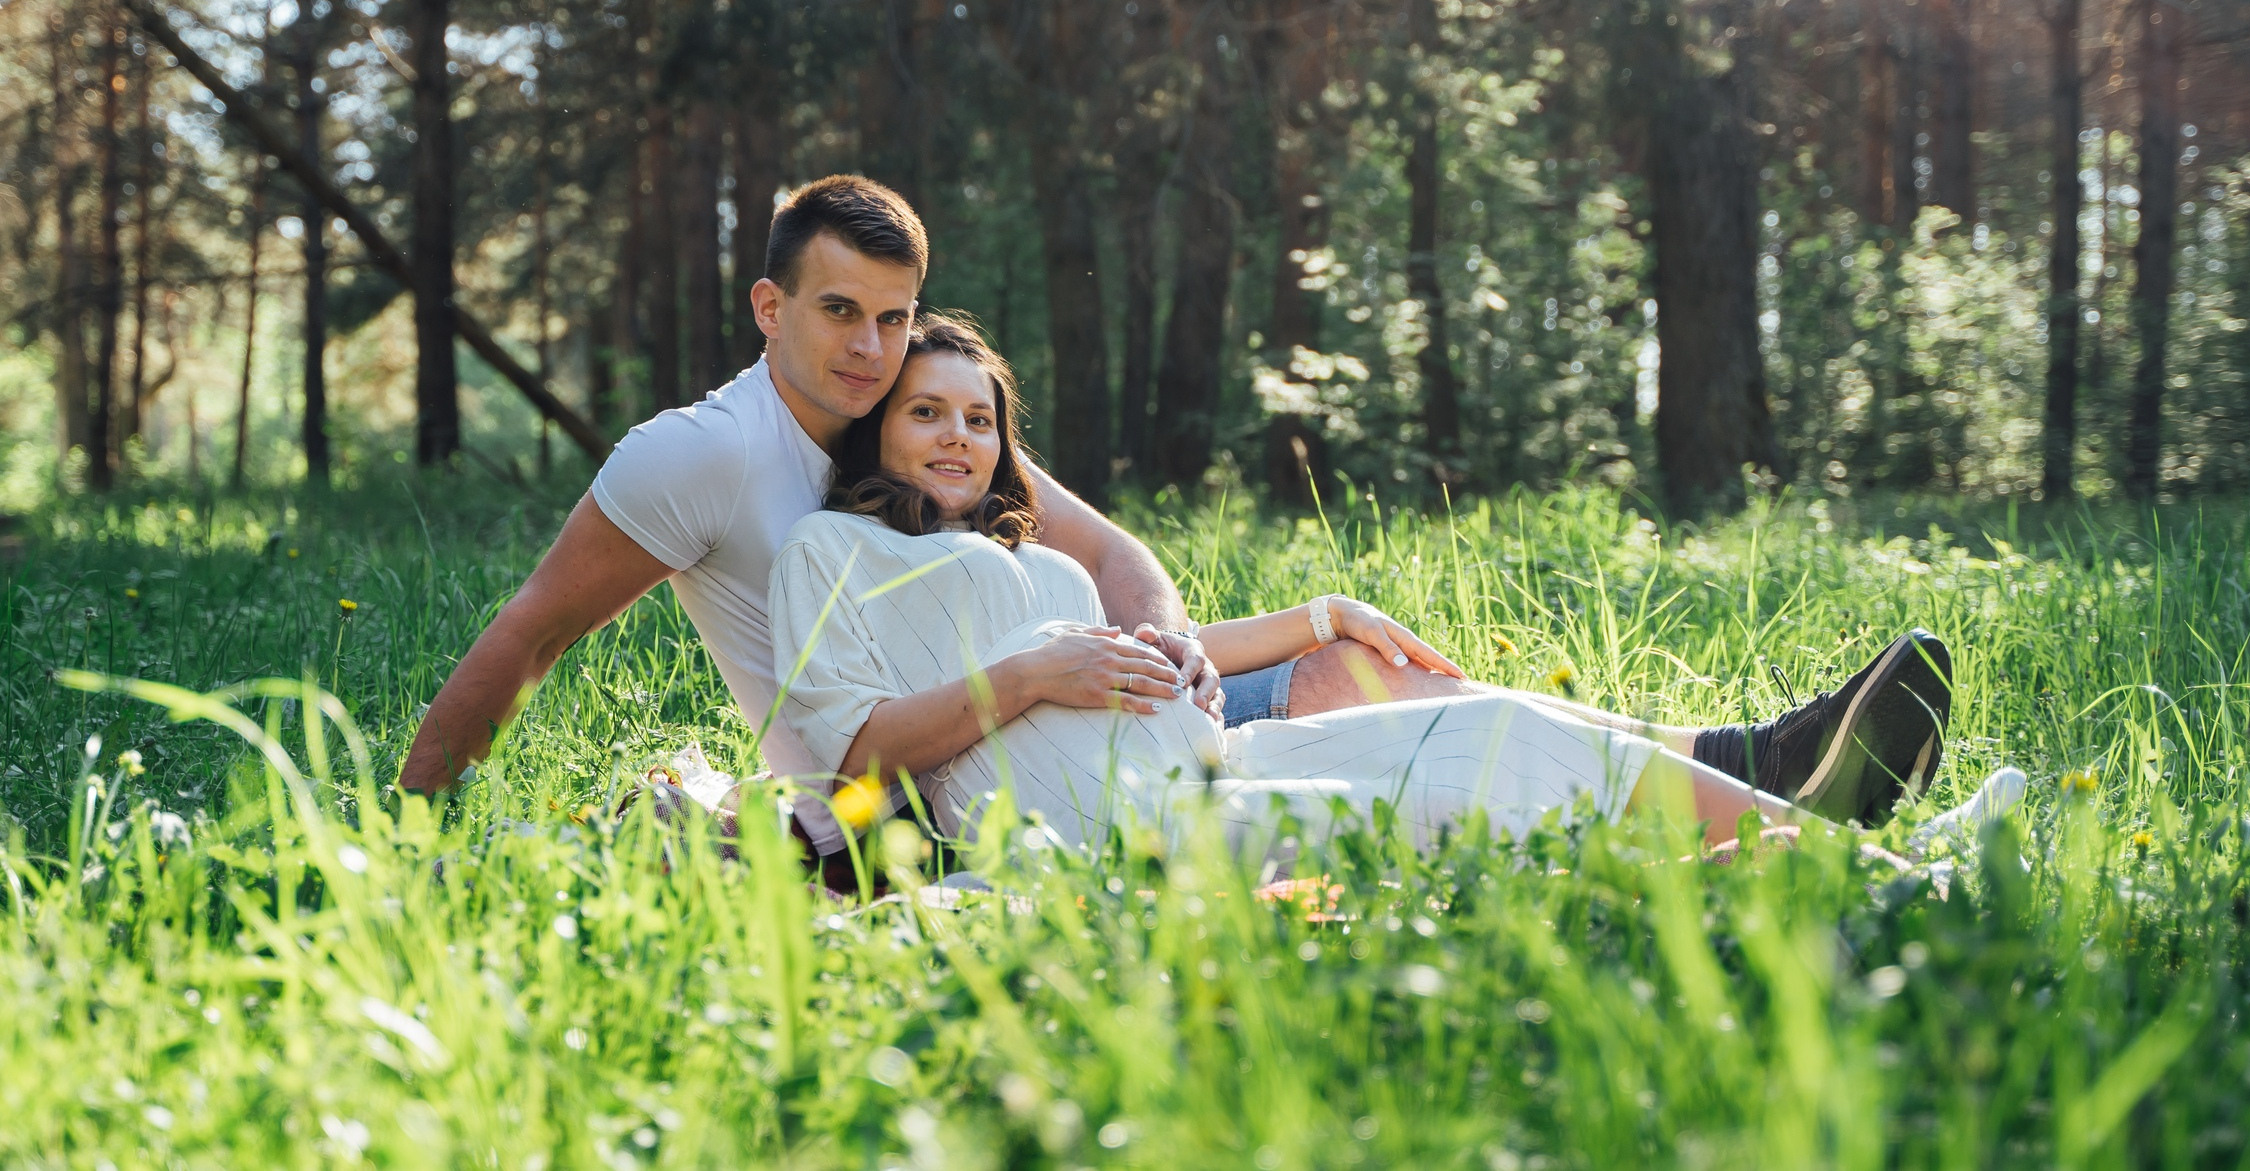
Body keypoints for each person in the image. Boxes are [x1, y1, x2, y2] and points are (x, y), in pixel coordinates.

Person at [398, 173, 1947, 863]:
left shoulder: (921, 428)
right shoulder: (704, 458)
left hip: (1121, 700)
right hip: (949, 763)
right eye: (839, 313)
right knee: (1362, 701)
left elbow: (1107, 550)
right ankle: (1744, 778)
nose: (873, 346)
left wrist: (1160, 645)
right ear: (769, 305)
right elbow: (527, 634)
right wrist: (416, 823)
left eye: (897, 315)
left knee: (1351, 663)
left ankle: (1736, 773)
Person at [770, 313, 1952, 863]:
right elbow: (849, 753)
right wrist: (1029, 673)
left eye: (979, 419)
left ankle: (1841, 844)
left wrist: (1295, 622)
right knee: (1476, 805)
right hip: (1130, 835)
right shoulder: (827, 555)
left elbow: (1150, 659)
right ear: (873, 426)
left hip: (1213, 764)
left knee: (1501, 722)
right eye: (925, 412)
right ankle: (1880, 872)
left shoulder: (1031, 560)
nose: (956, 437)